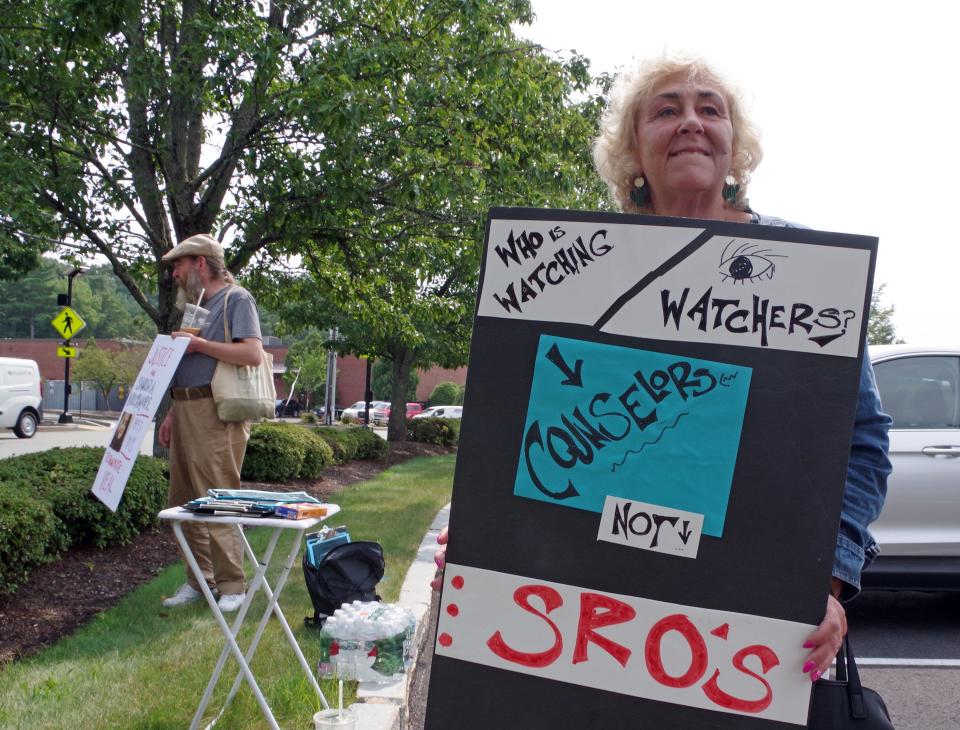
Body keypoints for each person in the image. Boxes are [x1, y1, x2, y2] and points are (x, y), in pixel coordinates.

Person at [434, 56, 892, 684]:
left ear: (736, 148)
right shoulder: (571, 269)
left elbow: (862, 439)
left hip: (750, 615)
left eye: (711, 109)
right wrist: (485, 542)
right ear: (633, 152)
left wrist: (826, 576)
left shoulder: (805, 268)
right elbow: (513, 424)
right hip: (591, 613)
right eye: (667, 109)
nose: (691, 123)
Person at [158, 233, 265, 613]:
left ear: (200, 264)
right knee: (184, 502)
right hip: (186, 410)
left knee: (218, 498)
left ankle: (232, 585)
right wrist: (173, 412)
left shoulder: (237, 299)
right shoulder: (197, 304)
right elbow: (189, 365)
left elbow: (252, 353)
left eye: (179, 266)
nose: (174, 274)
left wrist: (199, 345)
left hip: (215, 412)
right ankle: (199, 581)